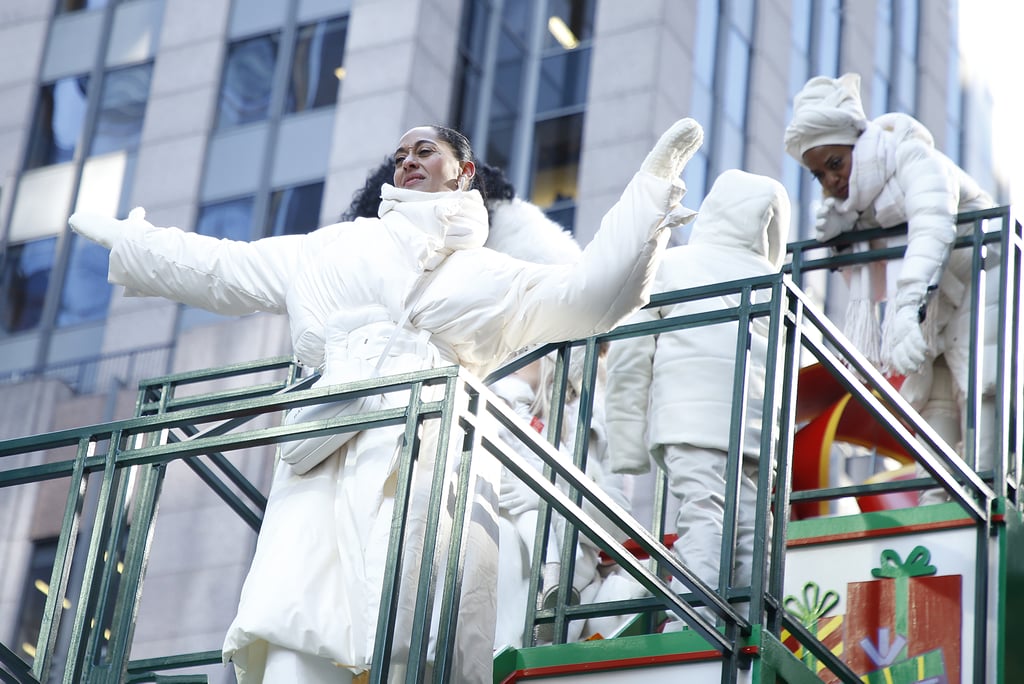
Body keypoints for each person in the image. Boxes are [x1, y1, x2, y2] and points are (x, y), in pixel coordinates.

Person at [68, 119, 704, 682]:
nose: (407, 160)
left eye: (424, 149)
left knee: (418, 642)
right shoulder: (329, 249)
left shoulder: (485, 273)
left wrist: (650, 191)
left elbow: (595, 294)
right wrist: (132, 243)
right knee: (299, 635)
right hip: (322, 467)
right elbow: (219, 267)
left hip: (434, 481)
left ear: (465, 173)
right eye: (400, 153)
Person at [783, 73, 998, 505]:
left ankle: (990, 493)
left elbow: (932, 224)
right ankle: (938, 502)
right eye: (818, 174)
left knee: (981, 386)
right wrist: (846, 230)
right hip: (937, 304)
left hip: (985, 279)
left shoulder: (915, 159)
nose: (829, 182)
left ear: (856, 146)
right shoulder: (866, 202)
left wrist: (905, 308)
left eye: (835, 164)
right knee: (932, 399)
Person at [603, 169, 791, 627]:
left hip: (687, 417)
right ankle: (750, 628)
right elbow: (784, 376)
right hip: (754, 432)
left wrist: (626, 443)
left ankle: (691, 625)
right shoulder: (773, 285)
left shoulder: (675, 265)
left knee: (704, 512)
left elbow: (630, 354)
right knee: (751, 528)